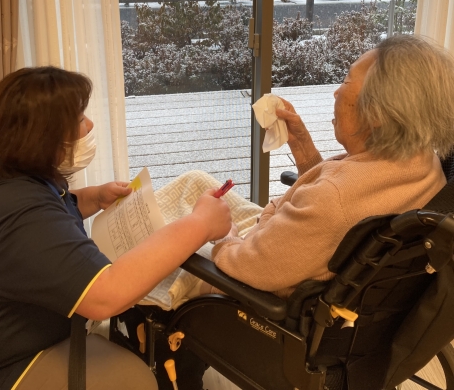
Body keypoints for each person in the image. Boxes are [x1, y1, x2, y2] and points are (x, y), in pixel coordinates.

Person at [0, 66, 231, 390]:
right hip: (2, 366)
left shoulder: (7, 174)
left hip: (14, 330)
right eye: (80, 119)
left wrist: (93, 197)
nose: (90, 126)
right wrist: (201, 224)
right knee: (135, 380)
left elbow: (57, 206)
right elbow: (107, 297)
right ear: (44, 137)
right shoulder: (21, 215)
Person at [184, 35, 453, 298]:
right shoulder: (423, 161)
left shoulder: (332, 199)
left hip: (253, 295)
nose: (336, 91)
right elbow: (336, 209)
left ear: (377, 113)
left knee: (174, 236)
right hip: (299, 257)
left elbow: (250, 265)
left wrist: (224, 237)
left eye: (346, 81)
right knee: (196, 181)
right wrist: (303, 147)